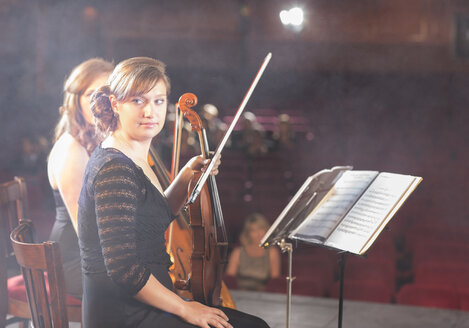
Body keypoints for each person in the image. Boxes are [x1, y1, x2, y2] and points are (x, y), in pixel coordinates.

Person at [78, 57, 270, 328]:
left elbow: (153, 218)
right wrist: (185, 308)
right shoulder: (114, 169)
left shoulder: (133, 156)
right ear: (115, 104)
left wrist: (187, 174)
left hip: (147, 301)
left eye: (158, 101)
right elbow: (123, 270)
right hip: (123, 313)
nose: (150, 112)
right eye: (137, 100)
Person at [47, 58, 114, 299]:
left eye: (108, 94)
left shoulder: (102, 144)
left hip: (96, 253)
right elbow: (86, 231)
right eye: (92, 95)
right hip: (75, 261)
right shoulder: (71, 149)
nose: (102, 104)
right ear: (76, 102)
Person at [225, 213, 281, 291]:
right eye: (253, 230)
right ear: (248, 234)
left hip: (263, 296)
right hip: (239, 294)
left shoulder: (272, 252)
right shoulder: (237, 252)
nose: (258, 234)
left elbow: (275, 281)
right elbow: (229, 279)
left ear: (266, 230)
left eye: (260, 229)